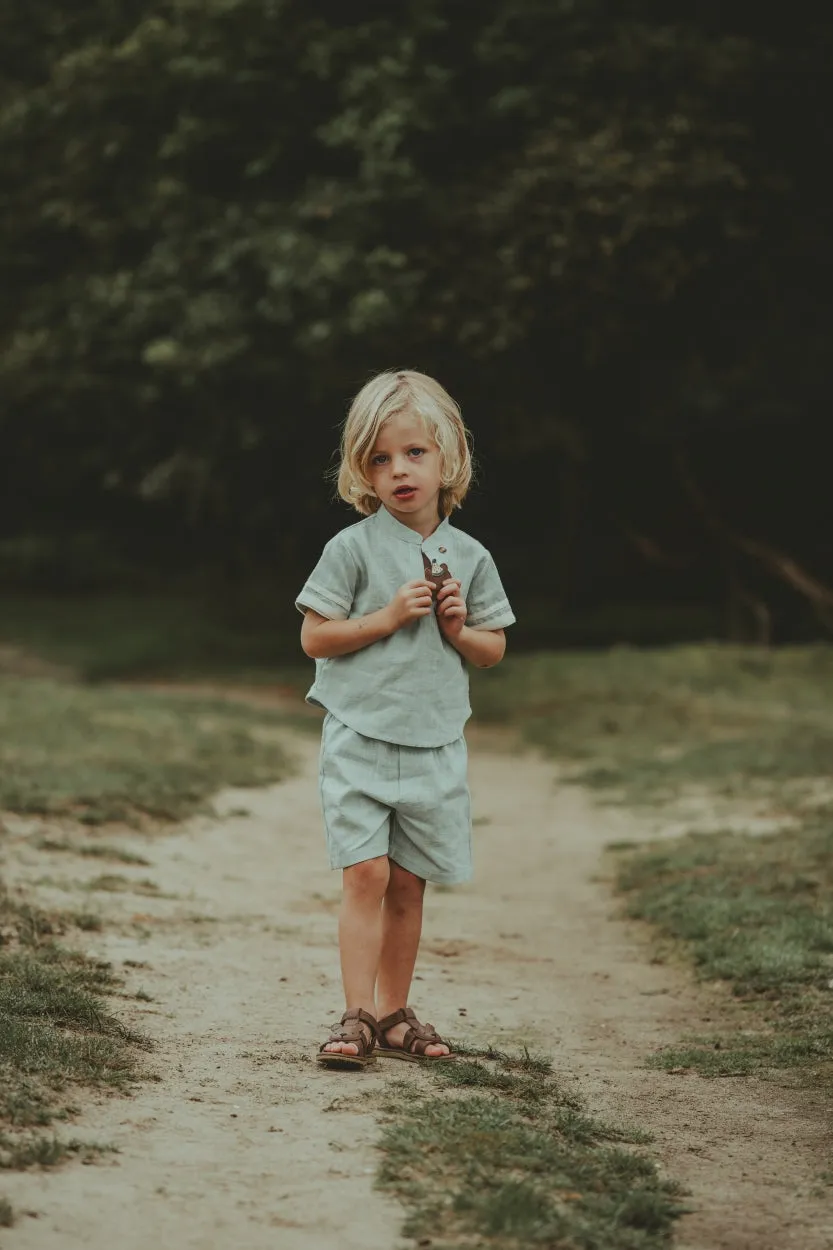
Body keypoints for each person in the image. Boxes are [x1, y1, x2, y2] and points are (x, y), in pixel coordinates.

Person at [295, 370, 515, 1069]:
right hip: (360, 734)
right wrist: (386, 617)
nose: (398, 471)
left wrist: (457, 629)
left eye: (414, 453)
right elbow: (315, 638)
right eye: (380, 459)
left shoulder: (471, 556)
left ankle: (393, 1012)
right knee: (365, 873)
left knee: (409, 882)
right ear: (362, 470)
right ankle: (355, 1012)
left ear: (447, 457)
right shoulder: (352, 548)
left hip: (432, 741)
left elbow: (492, 649)